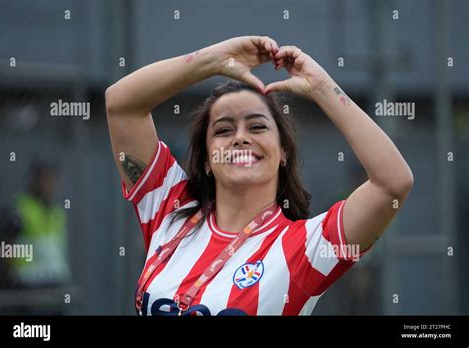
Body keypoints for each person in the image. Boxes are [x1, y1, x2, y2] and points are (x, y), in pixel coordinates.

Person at [105, 36, 413, 316]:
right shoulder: (170, 208)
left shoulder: (305, 247)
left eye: (257, 127)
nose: (240, 138)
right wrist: (212, 60)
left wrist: (321, 88)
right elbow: (121, 104)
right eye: (223, 130)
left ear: (283, 154)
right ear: (208, 160)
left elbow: (392, 184)